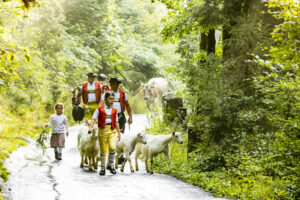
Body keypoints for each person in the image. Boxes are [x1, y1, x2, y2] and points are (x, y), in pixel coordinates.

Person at [100, 77, 133, 164]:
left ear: (118, 85)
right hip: (109, 116)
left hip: (120, 116)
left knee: (120, 135)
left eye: (115, 84)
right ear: (110, 84)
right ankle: (109, 156)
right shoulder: (105, 94)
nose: (113, 85)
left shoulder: (122, 94)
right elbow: (101, 105)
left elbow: (128, 106)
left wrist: (130, 116)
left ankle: (120, 156)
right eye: (112, 83)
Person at [88, 92, 121, 175]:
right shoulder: (99, 109)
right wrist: (90, 127)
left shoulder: (114, 110)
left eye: (113, 99)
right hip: (102, 130)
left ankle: (111, 165)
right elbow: (93, 119)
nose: (112, 101)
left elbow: (116, 122)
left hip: (112, 130)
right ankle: (103, 168)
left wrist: (119, 133)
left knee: (113, 147)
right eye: (110, 99)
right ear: (105, 99)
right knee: (103, 149)